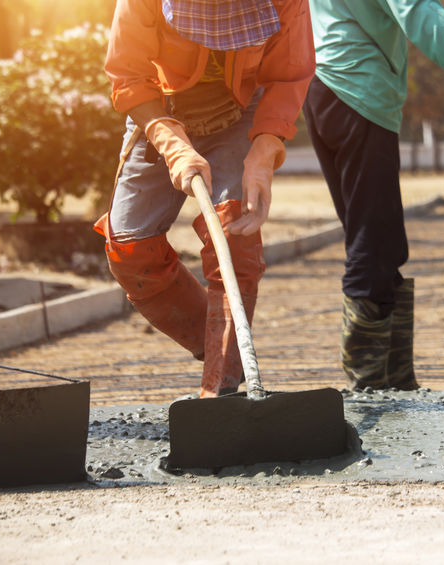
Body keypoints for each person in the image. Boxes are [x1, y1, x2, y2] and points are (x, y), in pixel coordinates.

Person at [303, 0, 444, 391]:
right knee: (371, 242)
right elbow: (418, 13)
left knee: (384, 242)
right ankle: (371, 386)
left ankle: (398, 383)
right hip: (358, 90)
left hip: (321, 89)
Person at [97, 0, 314, 398]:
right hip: (159, 112)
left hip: (239, 113)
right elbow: (128, 74)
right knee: (131, 248)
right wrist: (173, 145)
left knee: (235, 239)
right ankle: (226, 349)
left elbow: (288, 75)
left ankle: (221, 386)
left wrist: (264, 153)